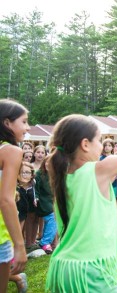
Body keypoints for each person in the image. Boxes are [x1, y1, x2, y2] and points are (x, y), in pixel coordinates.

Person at [45, 100, 117, 292]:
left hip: (62, 266)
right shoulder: (99, 169)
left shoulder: (60, 176)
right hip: (90, 269)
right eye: (99, 140)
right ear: (85, 144)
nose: (101, 146)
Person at [0, 99, 29, 292]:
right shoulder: (11, 151)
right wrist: (19, 246)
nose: (27, 128)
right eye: (24, 121)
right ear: (7, 123)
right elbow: (5, 199)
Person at [34, 158, 57, 254]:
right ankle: (45, 242)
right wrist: (36, 197)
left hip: (53, 200)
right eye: (47, 162)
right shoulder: (39, 174)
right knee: (52, 218)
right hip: (43, 201)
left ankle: (46, 240)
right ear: (44, 163)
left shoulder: (55, 174)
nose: (48, 165)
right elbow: (36, 188)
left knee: (50, 221)